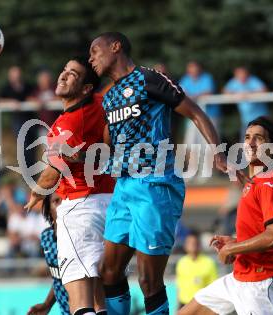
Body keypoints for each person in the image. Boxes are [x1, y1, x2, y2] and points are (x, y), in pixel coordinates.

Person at [88, 32, 243, 315]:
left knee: (148, 280)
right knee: (108, 271)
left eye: (95, 51)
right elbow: (107, 142)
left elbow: (195, 112)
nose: (91, 58)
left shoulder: (150, 79)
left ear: (116, 46)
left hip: (154, 184)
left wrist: (217, 153)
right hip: (123, 187)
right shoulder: (109, 97)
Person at [178, 116, 273, 315]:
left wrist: (234, 247)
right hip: (239, 277)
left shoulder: (269, 185)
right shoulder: (257, 181)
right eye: (247, 136)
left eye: (258, 138)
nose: (250, 142)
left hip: (258, 282)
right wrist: (238, 241)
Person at [25, 56, 115, 315]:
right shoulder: (100, 103)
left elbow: (52, 174)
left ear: (86, 88)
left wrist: (35, 195)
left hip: (80, 207)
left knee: (79, 298)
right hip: (108, 200)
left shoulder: (65, 125)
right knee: (99, 296)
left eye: (73, 74)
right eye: (64, 70)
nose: (63, 75)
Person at [27, 193, 71, 315]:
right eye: (56, 201)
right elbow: (59, 278)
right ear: (47, 209)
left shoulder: (80, 237)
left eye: (64, 200)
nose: (62, 205)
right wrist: (47, 304)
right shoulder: (46, 237)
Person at [0, 65, 37, 168]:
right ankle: (26, 172)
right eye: (14, 74)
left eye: (18, 74)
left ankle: (33, 173)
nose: (17, 76)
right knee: (23, 146)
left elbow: (35, 97)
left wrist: (33, 100)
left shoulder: (29, 86)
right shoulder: (6, 88)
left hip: (31, 120)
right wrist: (11, 102)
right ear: (10, 76)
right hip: (18, 120)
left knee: (33, 146)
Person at [176, 231, 218, 309]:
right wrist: (177, 306)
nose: (192, 245)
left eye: (195, 243)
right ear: (185, 245)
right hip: (184, 303)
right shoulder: (181, 262)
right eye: (190, 243)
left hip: (201, 304)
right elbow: (179, 286)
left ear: (199, 245)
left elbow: (213, 286)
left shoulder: (209, 262)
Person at [223, 66, 268, 137]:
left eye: (243, 73)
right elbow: (225, 92)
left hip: (260, 118)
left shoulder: (253, 80)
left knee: (263, 139)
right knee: (246, 140)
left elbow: (264, 90)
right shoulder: (234, 82)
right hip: (246, 119)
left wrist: (249, 93)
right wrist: (236, 94)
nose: (241, 76)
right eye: (239, 74)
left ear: (247, 73)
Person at [179, 61, 220, 130]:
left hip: (210, 115)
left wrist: (193, 97)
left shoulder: (207, 77)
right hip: (192, 116)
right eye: (191, 69)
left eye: (195, 69)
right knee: (191, 140)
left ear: (199, 69)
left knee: (210, 138)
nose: (193, 71)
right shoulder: (185, 79)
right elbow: (180, 92)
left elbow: (209, 91)